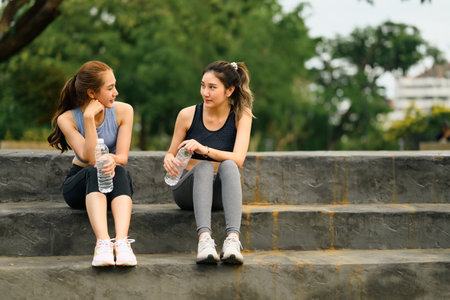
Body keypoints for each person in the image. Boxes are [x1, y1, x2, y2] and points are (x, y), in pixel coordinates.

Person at [163, 61, 254, 264]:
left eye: (212, 87)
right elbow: (170, 153)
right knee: (202, 166)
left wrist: (204, 150)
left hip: (221, 194)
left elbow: (239, 159)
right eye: (203, 85)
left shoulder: (241, 115)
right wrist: (169, 159)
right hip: (187, 192)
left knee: (229, 165)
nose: (206, 92)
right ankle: (204, 240)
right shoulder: (187, 115)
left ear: (229, 90)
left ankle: (232, 241)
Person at [47, 61, 136, 267]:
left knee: (119, 170)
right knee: (95, 169)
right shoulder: (67, 119)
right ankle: (103, 243)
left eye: (115, 85)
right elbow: (90, 159)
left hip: (111, 177)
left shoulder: (124, 111)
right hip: (79, 184)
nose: (116, 92)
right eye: (110, 88)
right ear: (92, 93)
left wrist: (110, 160)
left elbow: (122, 157)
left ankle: (121, 242)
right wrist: (88, 118)